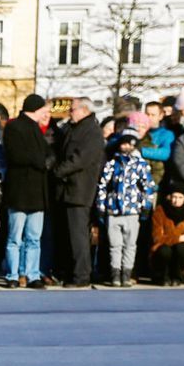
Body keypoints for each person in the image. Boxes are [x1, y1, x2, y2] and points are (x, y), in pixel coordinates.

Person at [51, 97, 104, 288]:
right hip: (67, 190)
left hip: (79, 190)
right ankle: (68, 271)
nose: (69, 113)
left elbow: (80, 159)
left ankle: (81, 275)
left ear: (84, 110)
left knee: (78, 236)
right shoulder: (74, 128)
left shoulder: (91, 131)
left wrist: (58, 170)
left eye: (72, 110)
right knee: (67, 235)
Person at [1, 94, 51, 288]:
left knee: (33, 237)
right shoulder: (15, 127)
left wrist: (46, 160)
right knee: (16, 237)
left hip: (34, 191)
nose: (45, 114)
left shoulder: (34, 128)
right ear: (35, 109)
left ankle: (31, 273)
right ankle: (13, 274)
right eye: (43, 110)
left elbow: (47, 153)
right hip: (20, 191)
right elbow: (17, 155)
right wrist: (42, 162)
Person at [96, 129, 154, 287]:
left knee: (130, 245)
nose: (126, 147)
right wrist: (101, 206)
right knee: (114, 245)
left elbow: (148, 187)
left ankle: (126, 274)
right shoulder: (112, 164)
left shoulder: (141, 165)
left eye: (130, 144)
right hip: (113, 210)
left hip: (133, 211)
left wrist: (146, 206)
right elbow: (102, 186)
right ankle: (115, 274)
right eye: (124, 143)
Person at [148, 186, 184, 285]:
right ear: (169, 197)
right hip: (164, 249)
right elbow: (157, 238)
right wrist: (180, 238)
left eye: (180, 197)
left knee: (181, 247)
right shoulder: (160, 211)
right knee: (165, 250)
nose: (176, 200)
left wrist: (172, 238)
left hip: (182, 250)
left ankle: (179, 275)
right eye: (174, 197)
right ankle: (163, 276)